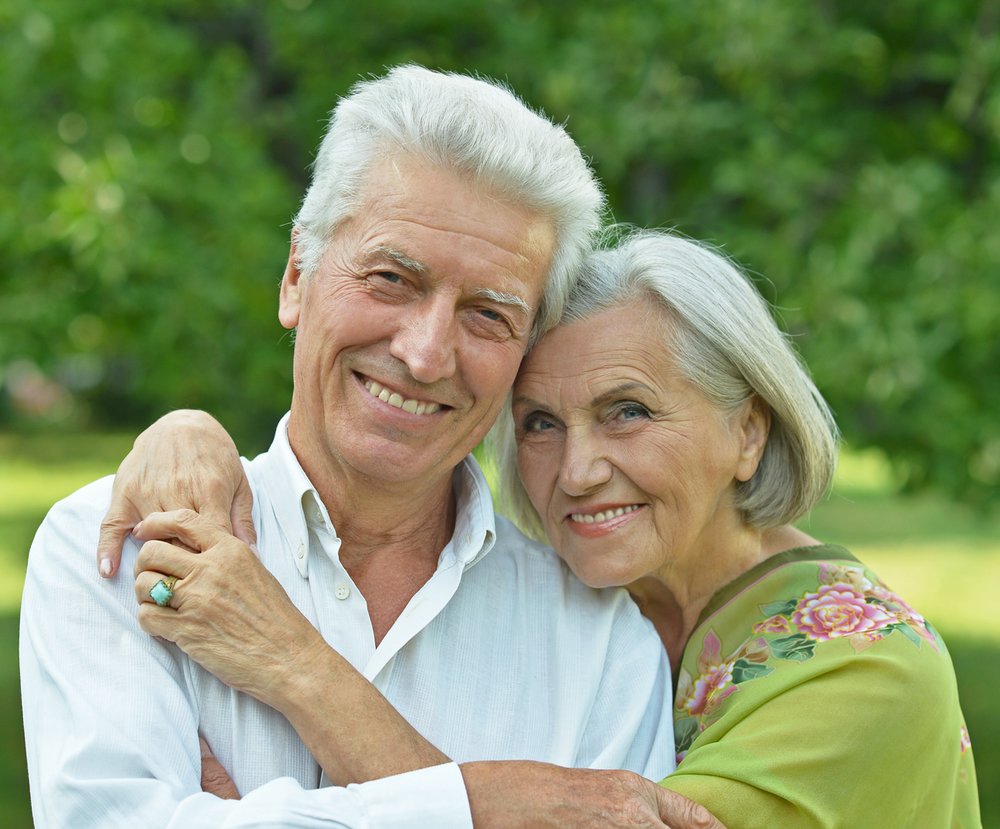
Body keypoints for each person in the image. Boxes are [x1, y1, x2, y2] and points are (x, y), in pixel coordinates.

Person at [21, 67, 718, 828]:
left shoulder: (599, 641)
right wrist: (486, 802)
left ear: (524, 352)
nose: (424, 354)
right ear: (296, 275)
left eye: (488, 313)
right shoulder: (123, 552)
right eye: (391, 278)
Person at [99, 230, 981, 827]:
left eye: (627, 410)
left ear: (747, 431)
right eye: (539, 423)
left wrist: (291, 669)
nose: (576, 469)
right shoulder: (583, 610)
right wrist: (187, 431)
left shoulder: (864, 668)